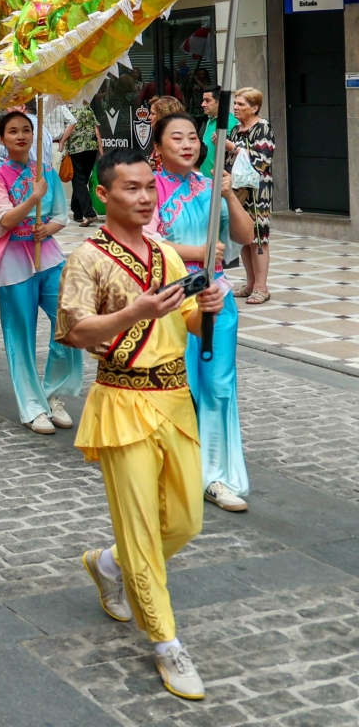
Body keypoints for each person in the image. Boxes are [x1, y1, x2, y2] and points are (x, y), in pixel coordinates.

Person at [56, 148, 226, 703]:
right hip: (122, 403)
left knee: (185, 522)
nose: (146, 197)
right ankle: (166, 643)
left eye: (150, 187)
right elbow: (77, 332)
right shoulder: (86, 258)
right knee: (142, 531)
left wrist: (211, 308)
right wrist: (136, 313)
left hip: (175, 398)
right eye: (131, 188)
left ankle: (106, 564)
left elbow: (190, 323)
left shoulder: (167, 256)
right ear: (104, 194)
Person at [148, 112, 255, 512]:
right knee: (181, 386)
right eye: (176, 138)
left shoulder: (210, 188)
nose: (188, 144)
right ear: (158, 148)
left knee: (220, 387)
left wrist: (228, 194)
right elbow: (146, 244)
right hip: (172, 299)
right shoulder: (149, 188)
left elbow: (245, 237)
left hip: (216, 298)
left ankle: (215, 474)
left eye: (193, 136)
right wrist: (198, 253)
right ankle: (175, 464)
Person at [0, 110, 83, 433]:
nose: (21, 136)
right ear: (2, 139)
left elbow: (60, 215)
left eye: (27, 129)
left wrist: (47, 229)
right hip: (13, 260)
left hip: (49, 257)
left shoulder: (46, 171)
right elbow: (4, 221)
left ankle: (53, 393)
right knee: (20, 335)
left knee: (69, 320)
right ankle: (31, 405)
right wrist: (33, 198)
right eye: (13, 131)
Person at [227, 88, 275, 304]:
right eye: (235, 103)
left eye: (241, 104)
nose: (236, 107)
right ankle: (250, 283)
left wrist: (233, 148)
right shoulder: (236, 129)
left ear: (254, 108)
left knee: (258, 238)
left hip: (258, 191)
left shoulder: (263, 127)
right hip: (238, 189)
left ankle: (261, 287)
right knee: (244, 237)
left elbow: (263, 160)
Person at [64, 103, 101, 226]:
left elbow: (67, 130)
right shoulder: (88, 109)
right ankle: (78, 213)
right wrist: (101, 152)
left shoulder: (69, 111)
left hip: (76, 149)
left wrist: (63, 144)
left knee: (78, 181)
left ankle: (89, 213)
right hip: (92, 149)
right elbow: (97, 133)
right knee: (82, 180)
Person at [198, 86, 236, 178]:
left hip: (219, 183)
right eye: (203, 100)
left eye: (207, 100)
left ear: (220, 102)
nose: (202, 104)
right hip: (206, 181)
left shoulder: (231, 123)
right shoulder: (210, 120)